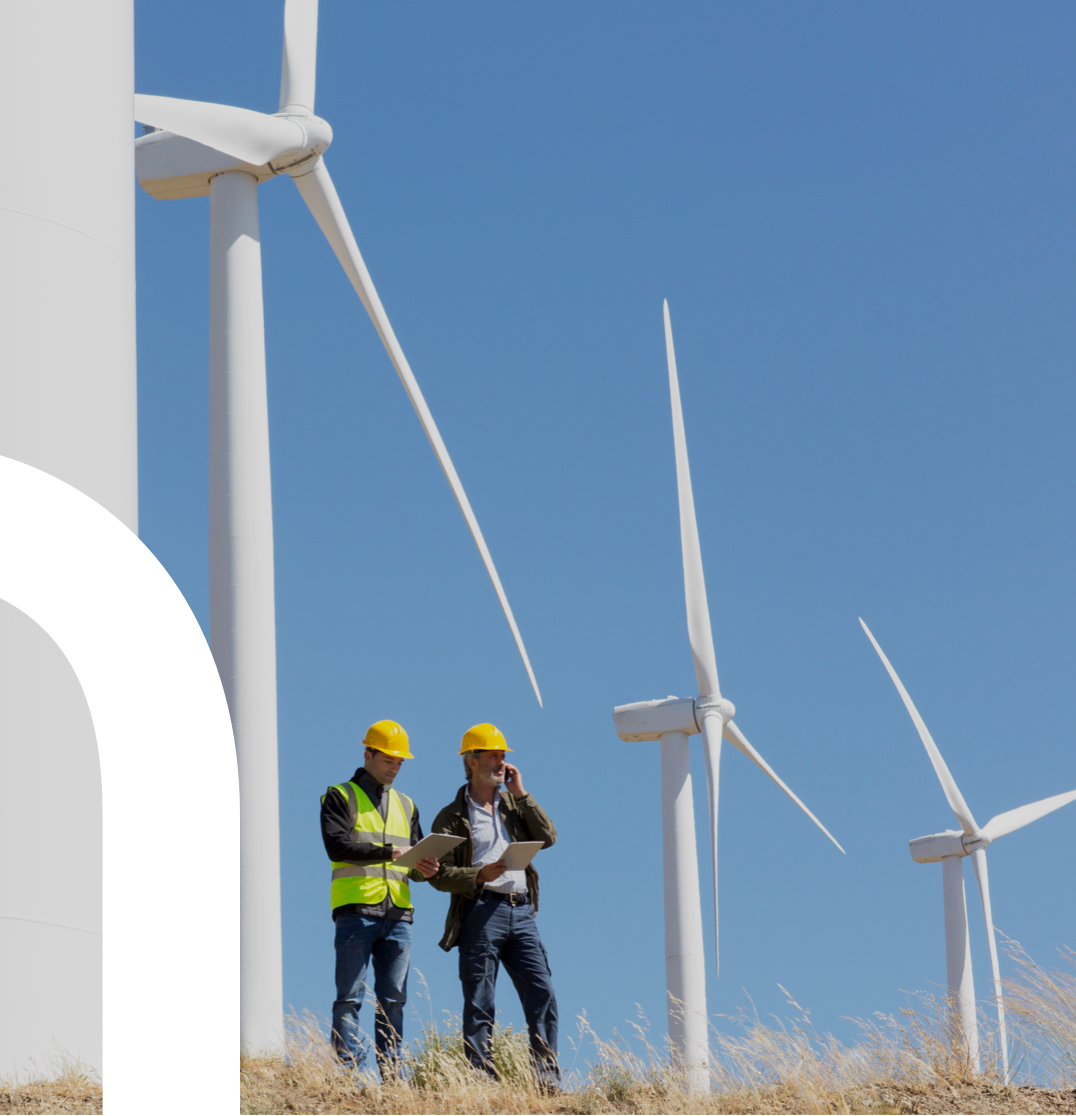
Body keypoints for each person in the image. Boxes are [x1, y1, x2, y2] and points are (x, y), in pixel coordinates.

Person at [428, 723, 559, 1089]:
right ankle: (481, 1080)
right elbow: (438, 875)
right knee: (480, 998)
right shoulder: (452, 816)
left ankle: (546, 1078)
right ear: (471, 761)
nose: (501, 762)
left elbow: (547, 837)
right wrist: (478, 875)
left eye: (503, 756)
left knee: (542, 992)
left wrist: (522, 793)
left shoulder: (514, 806)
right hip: (481, 911)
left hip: (521, 911)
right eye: (493, 755)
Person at [320, 719, 440, 1077]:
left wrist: (426, 868)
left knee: (394, 1002)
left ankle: (392, 1076)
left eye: (400, 762)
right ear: (367, 754)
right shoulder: (339, 796)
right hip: (356, 909)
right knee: (349, 998)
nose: (395, 767)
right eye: (389, 760)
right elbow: (337, 845)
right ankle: (347, 1076)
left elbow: (413, 859)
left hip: (398, 914)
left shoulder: (407, 804)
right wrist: (389, 852)